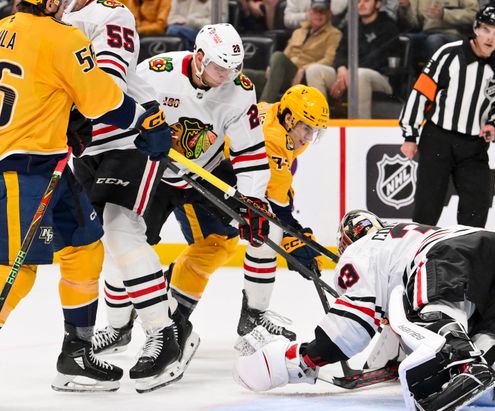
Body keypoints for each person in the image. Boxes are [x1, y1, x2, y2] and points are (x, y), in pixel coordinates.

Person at [233, 210, 495, 411]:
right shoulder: (401, 236)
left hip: (446, 256)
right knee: (485, 357)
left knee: (427, 317)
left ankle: (463, 359)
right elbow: (386, 334)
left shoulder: (361, 251)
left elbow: (351, 328)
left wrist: (303, 359)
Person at [0, 0, 171, 390]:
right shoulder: (63, 37)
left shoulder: (3, 28)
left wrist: (63, 119)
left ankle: (76, 353)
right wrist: (144, 120)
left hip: (48, 166)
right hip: (20, 169)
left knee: (85, 245)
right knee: (16, 269)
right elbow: (103, 99)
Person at [89, 24, 274, 372]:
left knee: (249, 234)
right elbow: (120, 111)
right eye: (220, 68)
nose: (227, 76)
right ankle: (118, 327)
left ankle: (229, 314)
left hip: (208, 171)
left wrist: (253, 202)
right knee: (120, 247)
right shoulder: (157, 72)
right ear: (199, 57)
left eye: (234, 68)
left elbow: (250, 153)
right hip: (155, 171)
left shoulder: (239, 90)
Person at [63, 0, 201, 392]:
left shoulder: (112, 13)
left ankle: (164, 335)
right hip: (86, 147)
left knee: (122, 230)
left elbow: (109, 81)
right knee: (99, 240)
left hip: (132, 136)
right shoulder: (54, 17)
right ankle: (122, 329)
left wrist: (71, 117)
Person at [399, 5, 495, 228]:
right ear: (476, 29)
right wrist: (410, 135)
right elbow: (422, 92)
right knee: (427, 208)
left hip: (474, 146)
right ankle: (419, 248)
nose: (490, 37)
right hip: (438, 139)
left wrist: (494, 125)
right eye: (486, 30)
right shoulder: (449, 54)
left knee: (476, 208)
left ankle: (469, 250)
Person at [236, 85, 329, 339]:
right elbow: (275, 204)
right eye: (306, 128)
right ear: (289, 119)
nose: (309, 137)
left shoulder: (275, 113)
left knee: (218, 246)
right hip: (221, 180)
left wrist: (294, 232)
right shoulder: (274, 140)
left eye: (315, 131)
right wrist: (294, 235)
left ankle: (252, 315)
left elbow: (278, 188)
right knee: (268, 234)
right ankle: (253, 317)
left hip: (231, 177)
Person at [305, 0, 399, 118]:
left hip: (380, 78)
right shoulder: (352, 24)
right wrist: (341, 69)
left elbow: (377, 59)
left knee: (360, 75)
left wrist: (349, 74)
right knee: (314, 70)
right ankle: (319, 121)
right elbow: (340, 51)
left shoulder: (388, 26)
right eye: (358, 1)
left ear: (378, 4)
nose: (361, 5)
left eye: (366, 1)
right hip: (349, 75)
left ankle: (360, 126)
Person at [244, 0, 341, 103]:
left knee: (278, 56)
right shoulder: (298, 31)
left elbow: (329, 60)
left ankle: (264, 106)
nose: (318, 15)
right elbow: (286, 54)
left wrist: (304, 69)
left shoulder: (334, 34)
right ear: (310, 12)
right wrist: (273, 66)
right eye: (315, 11)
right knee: (243, 75)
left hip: (305, 77)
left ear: (329, 14)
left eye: (322, 12)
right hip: (285, 74)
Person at [398, 0, 478, 71]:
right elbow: (414, 23)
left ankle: (433, 78)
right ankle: (407, 80)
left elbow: (474, 15)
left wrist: (445, 14)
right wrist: (406, 8)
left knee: (434, 40)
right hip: (427, 31)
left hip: (454, 33)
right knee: (404, 40)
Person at [282, 0, 347, 29]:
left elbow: (337, 10)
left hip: (332, 33)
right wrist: (306, 16)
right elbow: (287, 19)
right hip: (302, 35)